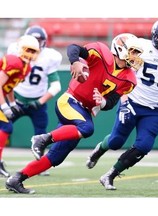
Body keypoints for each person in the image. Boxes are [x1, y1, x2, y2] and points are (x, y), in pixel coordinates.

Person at [5, 33, 144, 194]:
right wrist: (75, 62)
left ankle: (16, 179)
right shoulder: (101, 52)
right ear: (120, 48)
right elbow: (74, 48)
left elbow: (111, 102)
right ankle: (42, 139)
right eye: (133, 51)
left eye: (136, 53)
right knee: (87, 128)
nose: (135, 56)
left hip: (84, 111)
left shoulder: (129, 78)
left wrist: (103, 101)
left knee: (56, 156)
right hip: (70, 101)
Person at [86, 19, 158, 190]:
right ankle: (100, 149)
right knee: (115, 142)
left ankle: (110, 175)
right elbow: (124, 78)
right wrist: (125, 103)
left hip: (154, 109)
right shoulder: (141, 48)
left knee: (144, 146)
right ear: (155, 37)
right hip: (133, 101)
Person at [7, 25, 62, 176]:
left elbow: (56, 86)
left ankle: (39, 166)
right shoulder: (15, 52)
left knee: (41, 135)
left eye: (39, 41)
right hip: (17, 97)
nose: (35, 44)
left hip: (38, 101)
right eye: (33, 40)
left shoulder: (49, 57)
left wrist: (39, 102)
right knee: (3, 127)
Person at [0, 35, 40, 177]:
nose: (30, 54)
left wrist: (12, 103)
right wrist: (5, 107)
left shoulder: (26, 67)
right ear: (20, 49)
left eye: (33, 51)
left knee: (6, 126)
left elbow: (9, 86)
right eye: (28, 50)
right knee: (6, 126)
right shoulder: (14, 62)